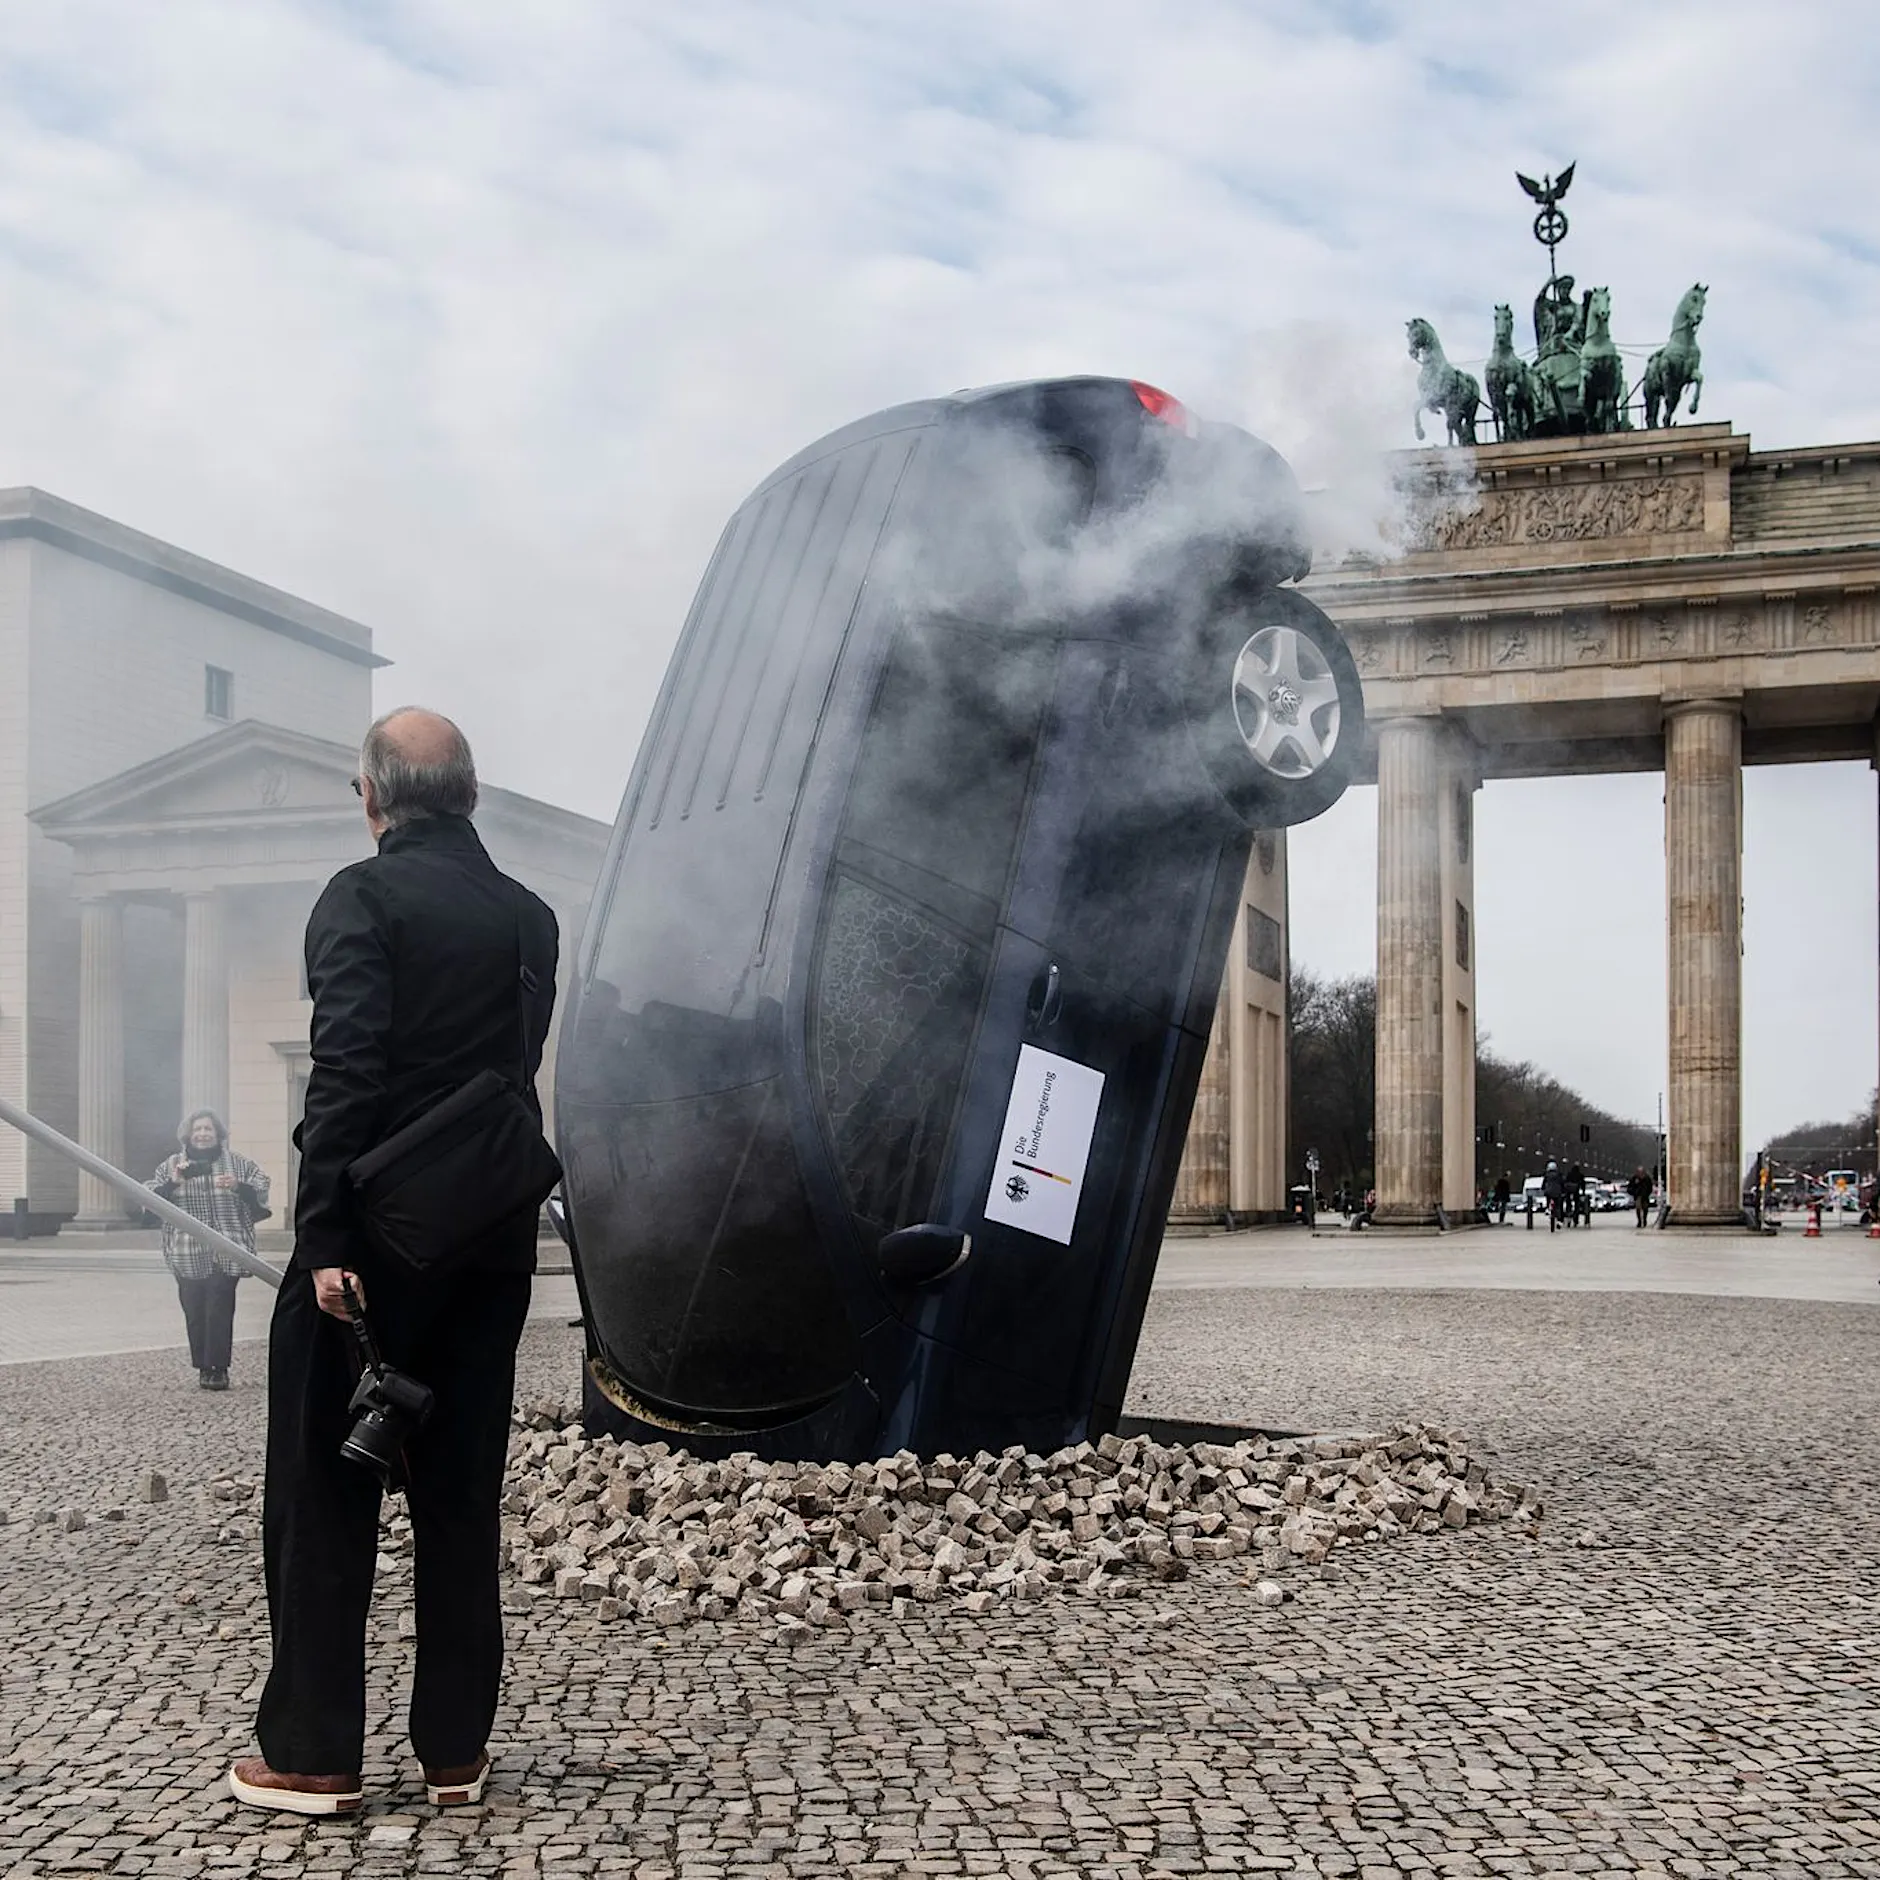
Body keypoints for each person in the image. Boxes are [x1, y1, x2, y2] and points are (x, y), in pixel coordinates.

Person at [229, 708, 559, 1817]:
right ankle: (454, 1750)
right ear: (470, 793)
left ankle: (314, 1754)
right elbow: (500, 1081)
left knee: (326, 1492)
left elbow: (349, 1071)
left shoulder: (360, 897)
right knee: (459, 1495)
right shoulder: (531, 918)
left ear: (370, 797)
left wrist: (322, 1236)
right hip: (489, 1245)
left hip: (370, 1249)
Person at [148, 1110, 270, 1389]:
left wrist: (239, 1186)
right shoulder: (170, 1166)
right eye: (198, 1129)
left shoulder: (237, 1164)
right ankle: (203, 1365)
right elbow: (149, 1201)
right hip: (185, 1250)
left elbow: (262, 1191)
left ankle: (219, 1368)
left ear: (218, 1135)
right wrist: (173, 1183)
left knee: (219, 1305)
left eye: (208, 1129)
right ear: (188, 1135)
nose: (203, 1134)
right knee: (194, 1308)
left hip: (228, 1247)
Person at [1542, 1159, 1566, 1233]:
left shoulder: (1546, 1175)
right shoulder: (1559, 1175)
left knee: (1548, 1199)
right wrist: (1563, 1191)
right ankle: (1559, 1220)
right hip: (1557, 1192)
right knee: (1558, 1206)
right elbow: (1562, 1183)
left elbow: (1543, 1184)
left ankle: (1547, 1209)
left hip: (1548, 1192)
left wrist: (1543, 1188)